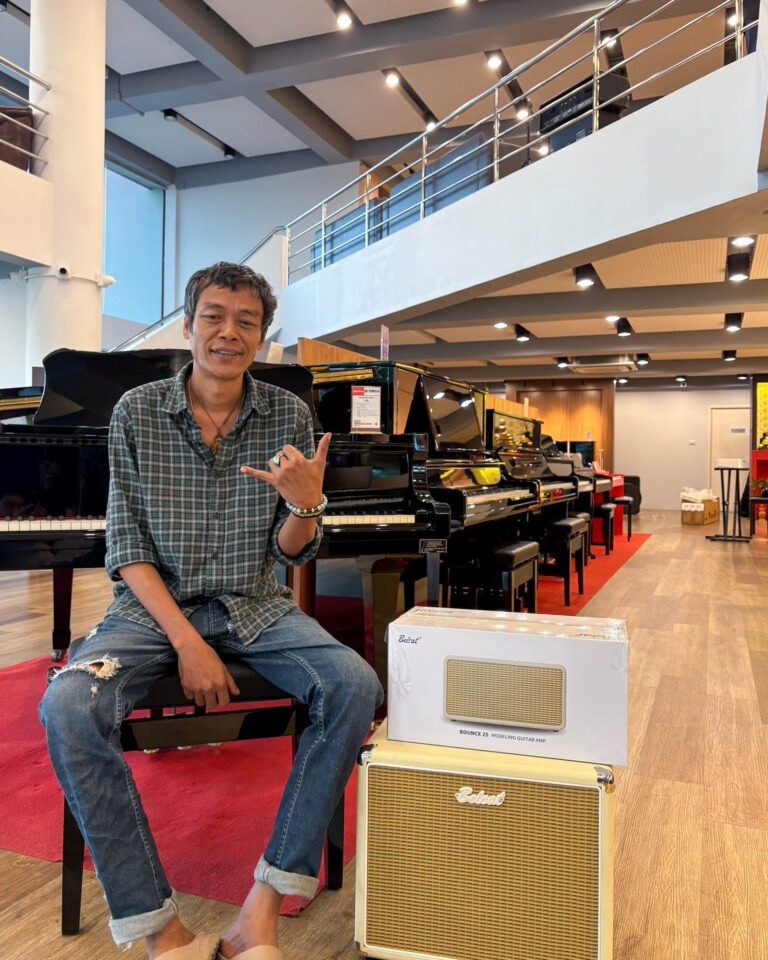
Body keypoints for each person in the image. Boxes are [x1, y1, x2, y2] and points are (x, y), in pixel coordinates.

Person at [39, 262, 383, 960]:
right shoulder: (137, 411)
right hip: (148, 612)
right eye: (214, 317)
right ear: (188, 324)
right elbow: (127, 548)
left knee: (355, 684)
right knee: (68, 705)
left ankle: (262, 909)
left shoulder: (288, 415)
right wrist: (188, 644)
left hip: (255, 603)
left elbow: (289, 551)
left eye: (246, 321)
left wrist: (307, 504)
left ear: (262, 334)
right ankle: (161, 932)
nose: (229, 333)